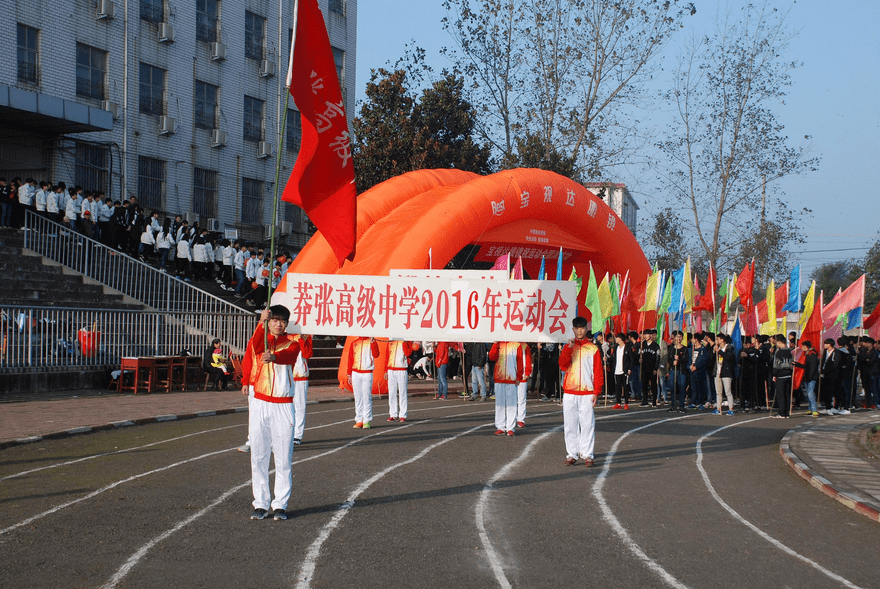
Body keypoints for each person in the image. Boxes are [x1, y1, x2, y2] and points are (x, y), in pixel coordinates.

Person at [240, 305, 301, 520]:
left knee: (283, 456)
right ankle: (261, 503)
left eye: (282, 320)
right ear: (269, 321)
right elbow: (254, 348)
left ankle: (280, 504)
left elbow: (289, 356)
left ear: (286, 323)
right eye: (274, 320)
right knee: (259, 454)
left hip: (283, 405)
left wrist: (273, 358)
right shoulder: (261, 339)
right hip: (260, 403)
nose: (278, 324)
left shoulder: (293, 344)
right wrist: (260, 322)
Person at [559, 316, 604, 467]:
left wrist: (596, 391)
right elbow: (563, 365)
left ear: (586, 329)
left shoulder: (593, 349)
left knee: (587, 425)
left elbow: (598, 372)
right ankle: (571, 454)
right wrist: (568, 348)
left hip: (587, 393)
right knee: (570, 425)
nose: (579, 330)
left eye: (582, 328)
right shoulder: (568, 347)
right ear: (573, 329)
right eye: (577, 328)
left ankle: (587, 454)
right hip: (570, 392)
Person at [488, 341, 523, 436]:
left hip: (512, 378)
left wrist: (519, 376)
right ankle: (500, 426)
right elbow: (492, 357)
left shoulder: (517, 345)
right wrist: (495, 344)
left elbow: (520, 361)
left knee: (512, 404)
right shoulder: (498, 343)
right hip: (499, 378)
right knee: (500, 404)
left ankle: (510, 427)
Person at [347, 336, 380, 428]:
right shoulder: (354, 343)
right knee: (358, 397)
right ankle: (359, 419)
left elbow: (376, 354)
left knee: (366, 397)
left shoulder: (371, 341)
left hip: (367, 372)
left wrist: (373, 343)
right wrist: (349, 374)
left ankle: (366, 420)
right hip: (355, 372)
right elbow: (350, 358)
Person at [291, 333, 312, 444]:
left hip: (301, 376)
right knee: (287, 407)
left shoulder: (305, 336)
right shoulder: (284, 336)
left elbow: (307, 354)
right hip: (286, 375)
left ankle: (297, 435)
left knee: (299, 406)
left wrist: (301, 339)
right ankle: (287, 433)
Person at [385, 340, 413, 421]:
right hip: (391, 369)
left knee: (402, 393)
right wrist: (385, 370)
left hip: (402, 369)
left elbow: (408, 353)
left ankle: (403, 415)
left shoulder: (405, 342)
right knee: (392, 393)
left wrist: (406, 342)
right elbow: (387, 356)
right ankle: (393, 414)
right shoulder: (390, 342)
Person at [794, 340, 820, 417]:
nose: (802, 348)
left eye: (803, 346)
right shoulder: (807, 354)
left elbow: (812, 368)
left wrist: (810, 377)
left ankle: (814, 409)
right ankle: (810, 408)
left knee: (810, 393)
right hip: (807, 376)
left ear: (806, 347)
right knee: (809, 393)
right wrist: (797, 364)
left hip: (811, 377)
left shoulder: (812, 354)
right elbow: (806, 366)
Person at [771, 334, 793, 418]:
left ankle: (781, 413)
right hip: (788, 374)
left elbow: (777, 365)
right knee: (787, 395)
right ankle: (786, 413)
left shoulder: (779, 352)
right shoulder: (789, 351)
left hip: (781, 375)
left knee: (781, 395)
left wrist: (774, 374)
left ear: (779, 342)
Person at [713, 334, 736, 415]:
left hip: (726, 372)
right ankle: (718, 408)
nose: (717, 341)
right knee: (718, 391)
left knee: (728, 391)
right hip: (718, 371)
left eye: (718, 339)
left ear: (722, 340)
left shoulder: (729, 347)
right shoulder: (716, 348)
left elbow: (728, 357)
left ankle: (731, 409)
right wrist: (714, 351)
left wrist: (719, 351)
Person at [668, 331, 689, 412]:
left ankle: (681, 406)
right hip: (673, 370)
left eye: (680, 337)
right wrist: (673, 362)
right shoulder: (671, 348)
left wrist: (679, 359)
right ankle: (673, 405)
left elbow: (686, 359)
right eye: (677, 337)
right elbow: (669, 359)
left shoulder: (685, 349)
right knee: (673, 388)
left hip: (682, 371)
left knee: (682, 388)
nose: (678, 338)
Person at [688, 334, 710, 409]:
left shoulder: (703, 349)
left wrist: (697, 367)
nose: (692, 340)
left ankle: (700, 402)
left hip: (700, 371)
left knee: (700, 387)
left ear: (696, 339)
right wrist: (690, 366)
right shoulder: (691, 349)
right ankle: (693, 402)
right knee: (693, 387)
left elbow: (704, 360)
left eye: (693, 339)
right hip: (692, 371)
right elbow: (688, 360)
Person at [820, 338, 842, 415]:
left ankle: (834, 407)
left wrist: (828, 369)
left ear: (830, 344)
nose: (824, 345)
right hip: (825, 374)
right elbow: (823, 361)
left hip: (833, 375)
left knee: (833, 391)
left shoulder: (836, 352)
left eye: (826, 344)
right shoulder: (825, 352)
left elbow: (836, 364)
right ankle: (827, 407)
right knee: (826, 391)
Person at [612, 332, 631, 410]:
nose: (616, 339)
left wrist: (629, 368)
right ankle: (618, 403)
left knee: (626, 387)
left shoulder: (627, 347)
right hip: (617, 370)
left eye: (617, 338)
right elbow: (613, 358)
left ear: (620, 339)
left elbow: (631, 359)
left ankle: (626, 403)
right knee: (618, 387)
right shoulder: (616, 347)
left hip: (625, 370)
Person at [516, 342, 532, 427]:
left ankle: (520, 419)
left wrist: (527, 372)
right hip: (511, 376)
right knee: (511, 399)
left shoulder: (525, 346)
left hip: (522, 376)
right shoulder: (510, 344)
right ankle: (511, 418)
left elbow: (528, 359)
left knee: (521, 398)